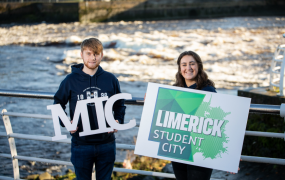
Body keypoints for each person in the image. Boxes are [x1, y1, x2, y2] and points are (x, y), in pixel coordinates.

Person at [54, 38, 126, 180]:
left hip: (107, 143)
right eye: (88, 53)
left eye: (96, 54)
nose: (92, 58)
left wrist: (118, 119)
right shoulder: (70, 80)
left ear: (102, 55)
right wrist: (66, 123)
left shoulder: (110, 79)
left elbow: (120, 103)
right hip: (81, 145)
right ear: (81, 54)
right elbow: (58, 103)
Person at [172, 50, 216, 180]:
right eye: (184, 65)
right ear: (180, 69)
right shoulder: (174, 90)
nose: (188, 68)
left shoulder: (208, 90)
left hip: (200, 150)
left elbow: (219, 121)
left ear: (198, 66)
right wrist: (152, 99)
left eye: (192, 64)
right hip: (179, 148)